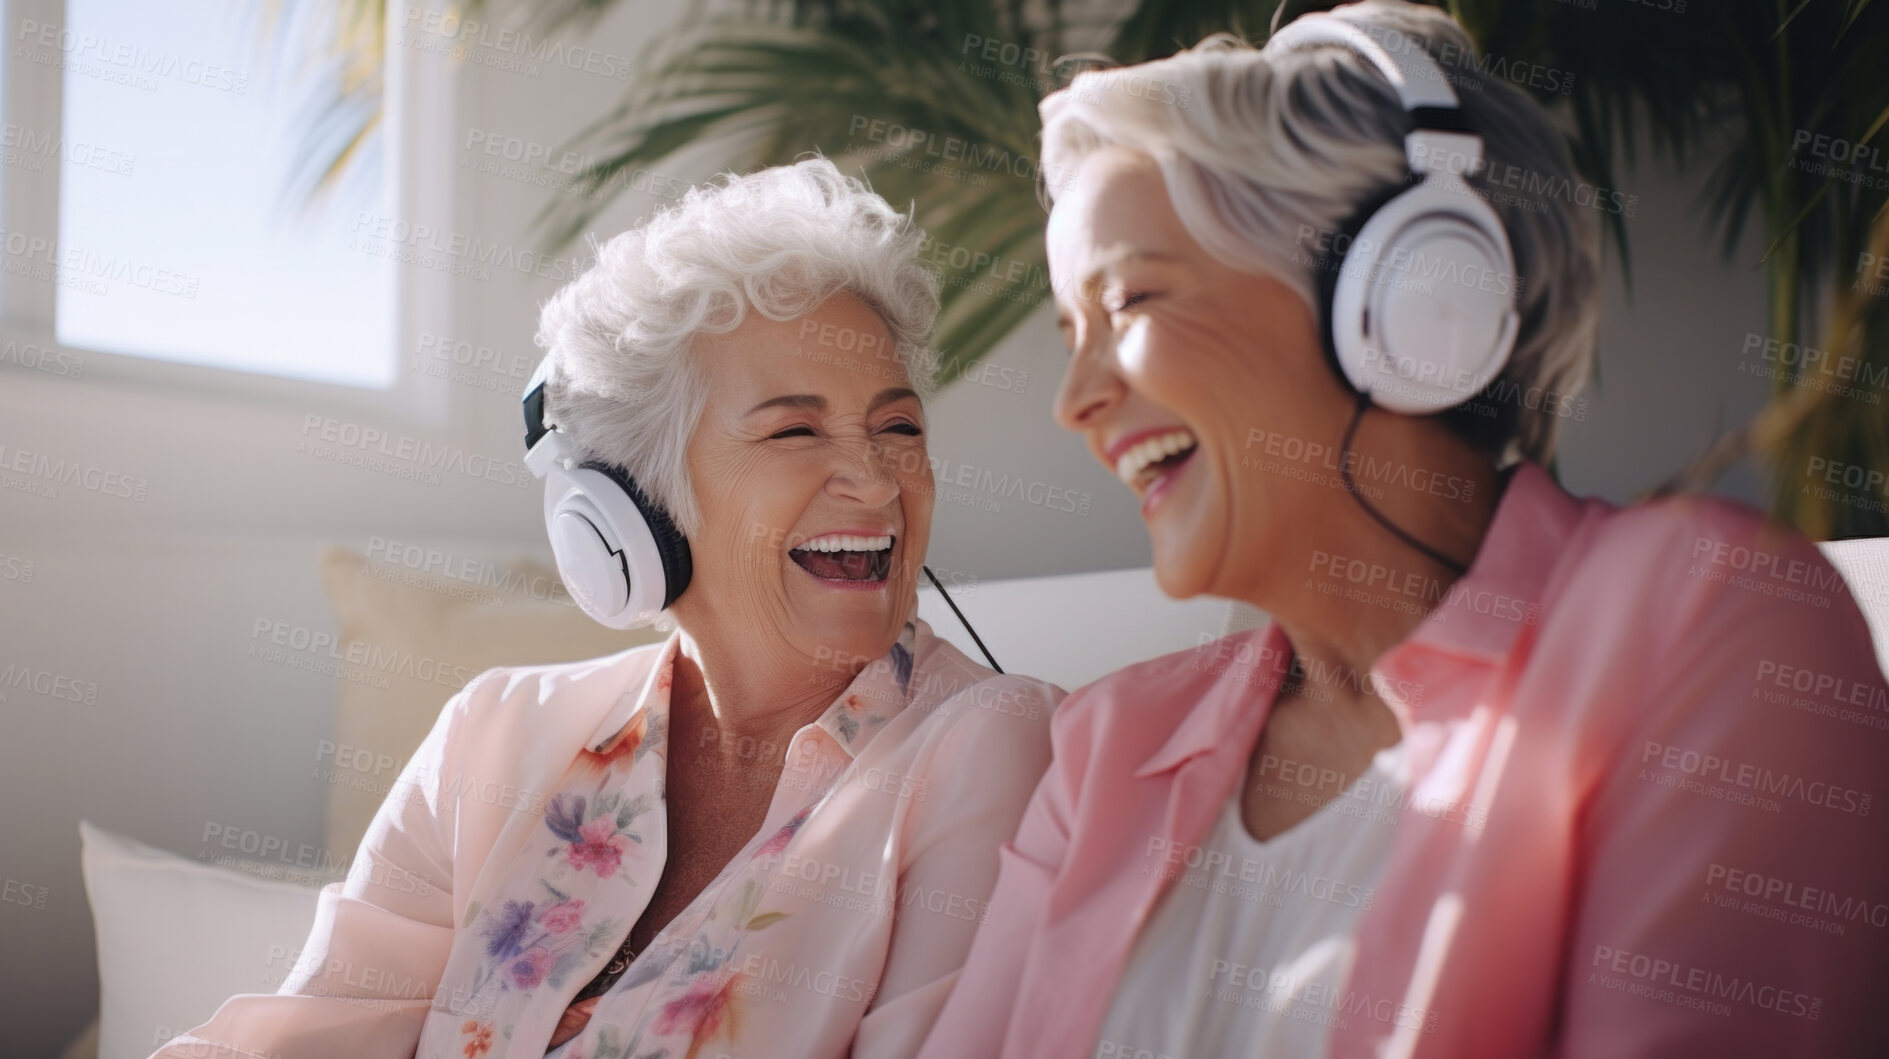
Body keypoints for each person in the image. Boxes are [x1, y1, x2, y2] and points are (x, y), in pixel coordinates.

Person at [917, 3, 1889, 1056]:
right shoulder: (1108, 747)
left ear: (1408, 303)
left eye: (1131, 303)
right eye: (1072, 333)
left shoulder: (1705, 618)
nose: (1074, 401)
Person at [154, 157, 1062, 1059]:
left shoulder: (1000, 744)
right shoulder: (492, 731)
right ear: (636, 505)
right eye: (795, 429)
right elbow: (306, 1038)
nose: (874, 480)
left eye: (898, 427)